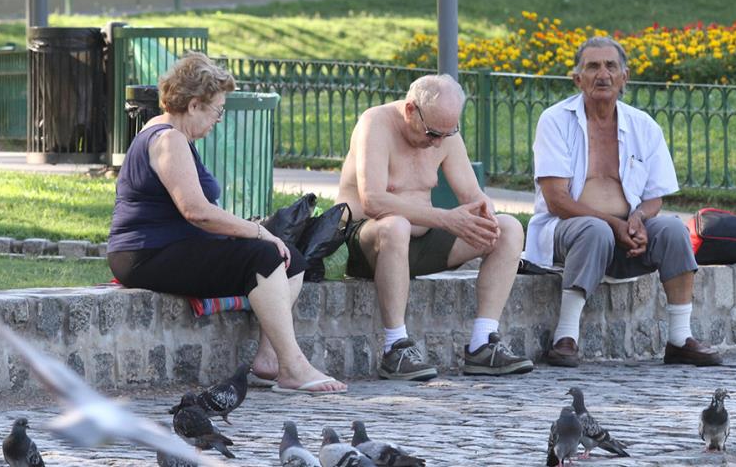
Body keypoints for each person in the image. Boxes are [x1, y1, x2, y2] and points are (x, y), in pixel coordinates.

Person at [106, 52, 346, 394]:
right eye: (217, 111)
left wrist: (259, 235)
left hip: (169, 248)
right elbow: (197, 212)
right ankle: (294, 367)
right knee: (264, 255)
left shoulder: (174, 135)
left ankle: (270, 359)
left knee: (291, 258)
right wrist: (260, 232)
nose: (218, 119)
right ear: (193, 105)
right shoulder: (169, 140)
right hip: (145, 255)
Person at [523, 37, 722, 368]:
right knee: (594, 229)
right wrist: (614, 224)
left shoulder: (643, 125)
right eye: (593, 67)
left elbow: (654, 196)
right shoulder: (555, 120)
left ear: (624, 77)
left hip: (625, 230)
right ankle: (565, 337)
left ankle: (679, 338)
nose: (603, 74)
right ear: (577, 79)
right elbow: (557, 200)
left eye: (610, 66)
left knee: (673, 229)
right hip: (567, 231)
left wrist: (637, 219)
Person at [335, 74, 534, 381]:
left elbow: (473, 195)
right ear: (410, 110)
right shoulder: (375, 123)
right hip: (368, 242)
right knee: (396, 227)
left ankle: (483, 343)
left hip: (423, 241)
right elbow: (372, 200)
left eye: (448, 133)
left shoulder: (443, 132)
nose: (438, 142)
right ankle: (395, 348)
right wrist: (445, 218)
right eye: (432, 133)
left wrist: (485, 213)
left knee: (508, 228)